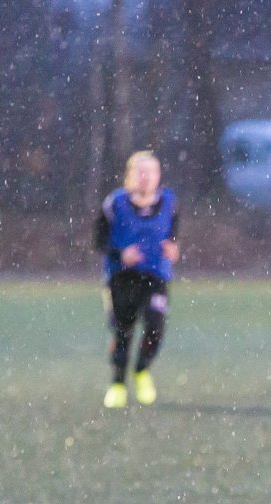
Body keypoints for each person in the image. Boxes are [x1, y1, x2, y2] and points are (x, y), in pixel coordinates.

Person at [94, 150, 180, 408]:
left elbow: (172, 231)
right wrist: (121, 253)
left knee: (155, 327)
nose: (145, 177)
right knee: (123, 332)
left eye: (151, 172)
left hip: (155, 275)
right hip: (121, 278)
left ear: (158, 176)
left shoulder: (169, 202)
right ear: (129, 176)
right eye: (140, 172)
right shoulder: (114, 204)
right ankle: (118, 383)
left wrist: (173, 247)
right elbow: (98, 240)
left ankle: (141, 369)